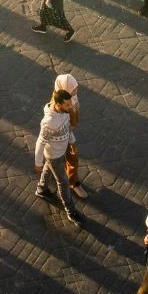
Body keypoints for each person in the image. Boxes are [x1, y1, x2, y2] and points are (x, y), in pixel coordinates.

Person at [33, 88, 84, 226]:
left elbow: (67, 129)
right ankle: (70, 211)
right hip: (53, 156)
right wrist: (38, 162)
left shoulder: (65, 113)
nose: (71, 107)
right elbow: (40, 142)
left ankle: (41, 189)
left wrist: (72, 141)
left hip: (61, 151)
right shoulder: (48, 122)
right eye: (67, 105)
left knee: (48, 170)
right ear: (58, 105)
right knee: (63, 183)